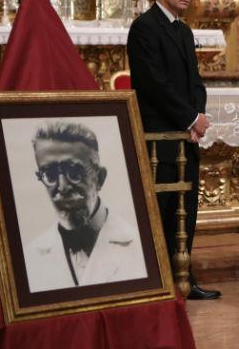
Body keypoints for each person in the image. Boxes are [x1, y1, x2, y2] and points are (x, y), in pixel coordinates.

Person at [127, 0, 220, 300]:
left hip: (184, 134)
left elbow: (194, 81)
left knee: (187, 208)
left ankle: (184, 275)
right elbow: (154, 84)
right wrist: (188, 118)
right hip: (159, 135)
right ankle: (161, 279)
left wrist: (198, 116)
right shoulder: (145, 28)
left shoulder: (183, 30)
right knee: (164, 208)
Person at [24, 122, 147, 293]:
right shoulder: (30, 258)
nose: (62, 186)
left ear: (100, 178)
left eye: (74, 172)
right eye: (50, 174)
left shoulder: (142, 247)